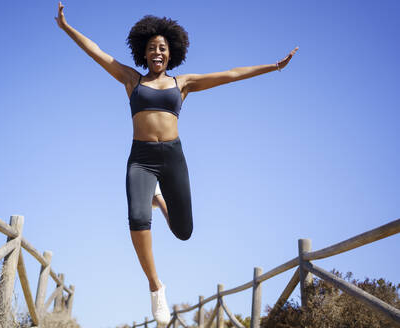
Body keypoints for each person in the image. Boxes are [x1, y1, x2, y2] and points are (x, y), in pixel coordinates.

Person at [55, 3, 298, 325]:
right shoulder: (131, 79)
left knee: (184, 232)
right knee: (137, 218)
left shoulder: (183, 84)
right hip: (141, 159)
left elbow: (230, 75)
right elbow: (96, 52)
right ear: (144, 52)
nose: (157, 52)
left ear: (172, 54)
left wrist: (273, 67)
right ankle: (156, 287)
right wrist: (66, 27)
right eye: (152, 48)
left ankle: (159, 198)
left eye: (163, 48)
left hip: (172, 158)